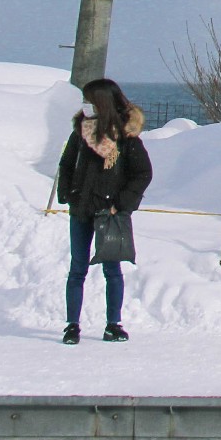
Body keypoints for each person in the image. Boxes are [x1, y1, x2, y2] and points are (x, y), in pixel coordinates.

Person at [55, 77, 153, 345]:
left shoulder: (127, 138)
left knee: (113, 269)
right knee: (78, 268)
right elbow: (65, 164)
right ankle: (72, 325)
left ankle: (114, 324)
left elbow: (143, 174)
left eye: (89, 100)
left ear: (102, 103)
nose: (85, 105)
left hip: (110, 213)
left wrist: (120, 204)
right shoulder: (80, 131)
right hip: (81, 209)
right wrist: (67, 193)